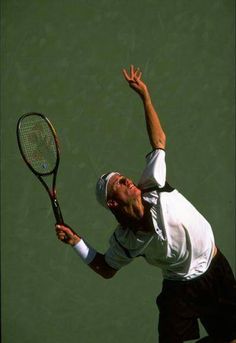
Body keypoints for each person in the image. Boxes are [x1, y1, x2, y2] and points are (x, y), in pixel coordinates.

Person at [55, 65, 236, 343]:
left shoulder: (153, 184)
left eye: (123, 177)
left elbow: (159, 140)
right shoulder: (125, 240)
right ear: (113, 203)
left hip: (214, 267)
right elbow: (106, 268)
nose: (125, 180)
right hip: (180, 287)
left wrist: (145, 97)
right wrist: (76, 241)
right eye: (117, 183)